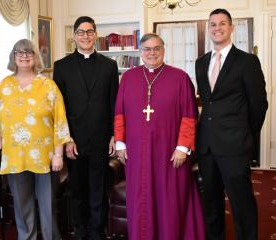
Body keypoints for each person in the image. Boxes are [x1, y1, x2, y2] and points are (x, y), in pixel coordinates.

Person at [114, 33, 205, 240]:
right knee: (140, 199)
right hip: (137, 153)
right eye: (147, 49)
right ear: (140, 52)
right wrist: (120, 143)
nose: (152, 53)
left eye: (156, 48)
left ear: (163, 50)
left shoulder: (180, 77)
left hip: (169, 153)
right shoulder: (129, 77)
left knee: (169, 199)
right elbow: (119, 113)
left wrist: (183, 147)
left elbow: (189, 115)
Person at [195, 9, 268, 240]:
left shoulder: (247, 61)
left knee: (241, 203)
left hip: (235, 146)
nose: (217, 28)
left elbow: (259, 105)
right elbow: (208, 103)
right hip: (206, 146)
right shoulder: (201, 62)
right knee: (212, 203)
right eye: (213, 24)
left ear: (231, 27)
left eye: (222, 23)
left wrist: (245, 135)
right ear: (209, 28)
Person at [0, 39, 71, 240]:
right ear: (13, 57)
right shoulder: (2, 87)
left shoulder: (48, 86)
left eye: (29, 52)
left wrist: (59, 155)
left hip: (46, 157)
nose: (24, 56)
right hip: (15, 156)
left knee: (47, 205)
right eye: (19, 52)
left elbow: (60, 121)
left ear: (36, 57)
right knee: (22, 205)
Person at [53, 16, 119, 240]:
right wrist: (67, 139)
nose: (85, 36)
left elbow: (114, 103)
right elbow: (59, 109)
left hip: (101, 139)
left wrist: (113, 134)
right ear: (74, 36)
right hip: (75, 141)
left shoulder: (109, 66)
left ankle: (97, 231)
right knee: (78, 190)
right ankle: (80, 230)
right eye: (81, 32)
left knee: (99, 189)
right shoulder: (61, 67)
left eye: (90, 32)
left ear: (95, 35)